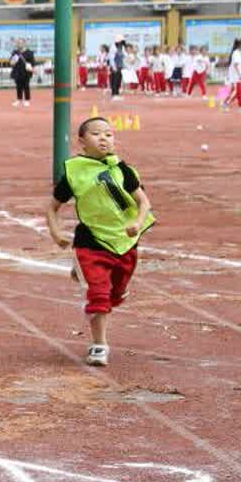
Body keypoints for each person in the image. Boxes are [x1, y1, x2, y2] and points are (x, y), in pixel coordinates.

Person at [48, 116, 155, 367]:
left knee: (115, 293)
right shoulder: (74, 173)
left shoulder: (123, 170)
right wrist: (56, 233)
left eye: (108, 134)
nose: (104, 138)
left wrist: (137, 223)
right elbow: (52, 208)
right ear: (82, 141)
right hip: (90, 241)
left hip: (124, 243)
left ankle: (92, 276)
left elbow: (144, 202)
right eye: (96, 134)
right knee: (99, 295)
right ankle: (99, 345)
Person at [225, 38, 241, 111]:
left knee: (240, 90)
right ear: (240, 45)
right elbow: (235, 65)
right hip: (236, 76)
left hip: (237, 76)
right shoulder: (236, 53)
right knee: (237, 91)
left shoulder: (238, 53)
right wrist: (240, 75)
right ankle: (226, 103)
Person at [9, 40, 34, 108]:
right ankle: (18, 99)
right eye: (18, 43)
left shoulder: (29, 53)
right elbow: (11, 62)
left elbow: (32, 63)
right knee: (18, 86)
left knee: (26, 86)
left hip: (26, 72)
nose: (19, 44)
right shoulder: (15, 52)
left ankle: (27, 100)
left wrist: (30, 67)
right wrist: (13, 61)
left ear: (24, 44)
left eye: (21, 43)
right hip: (17, 71)